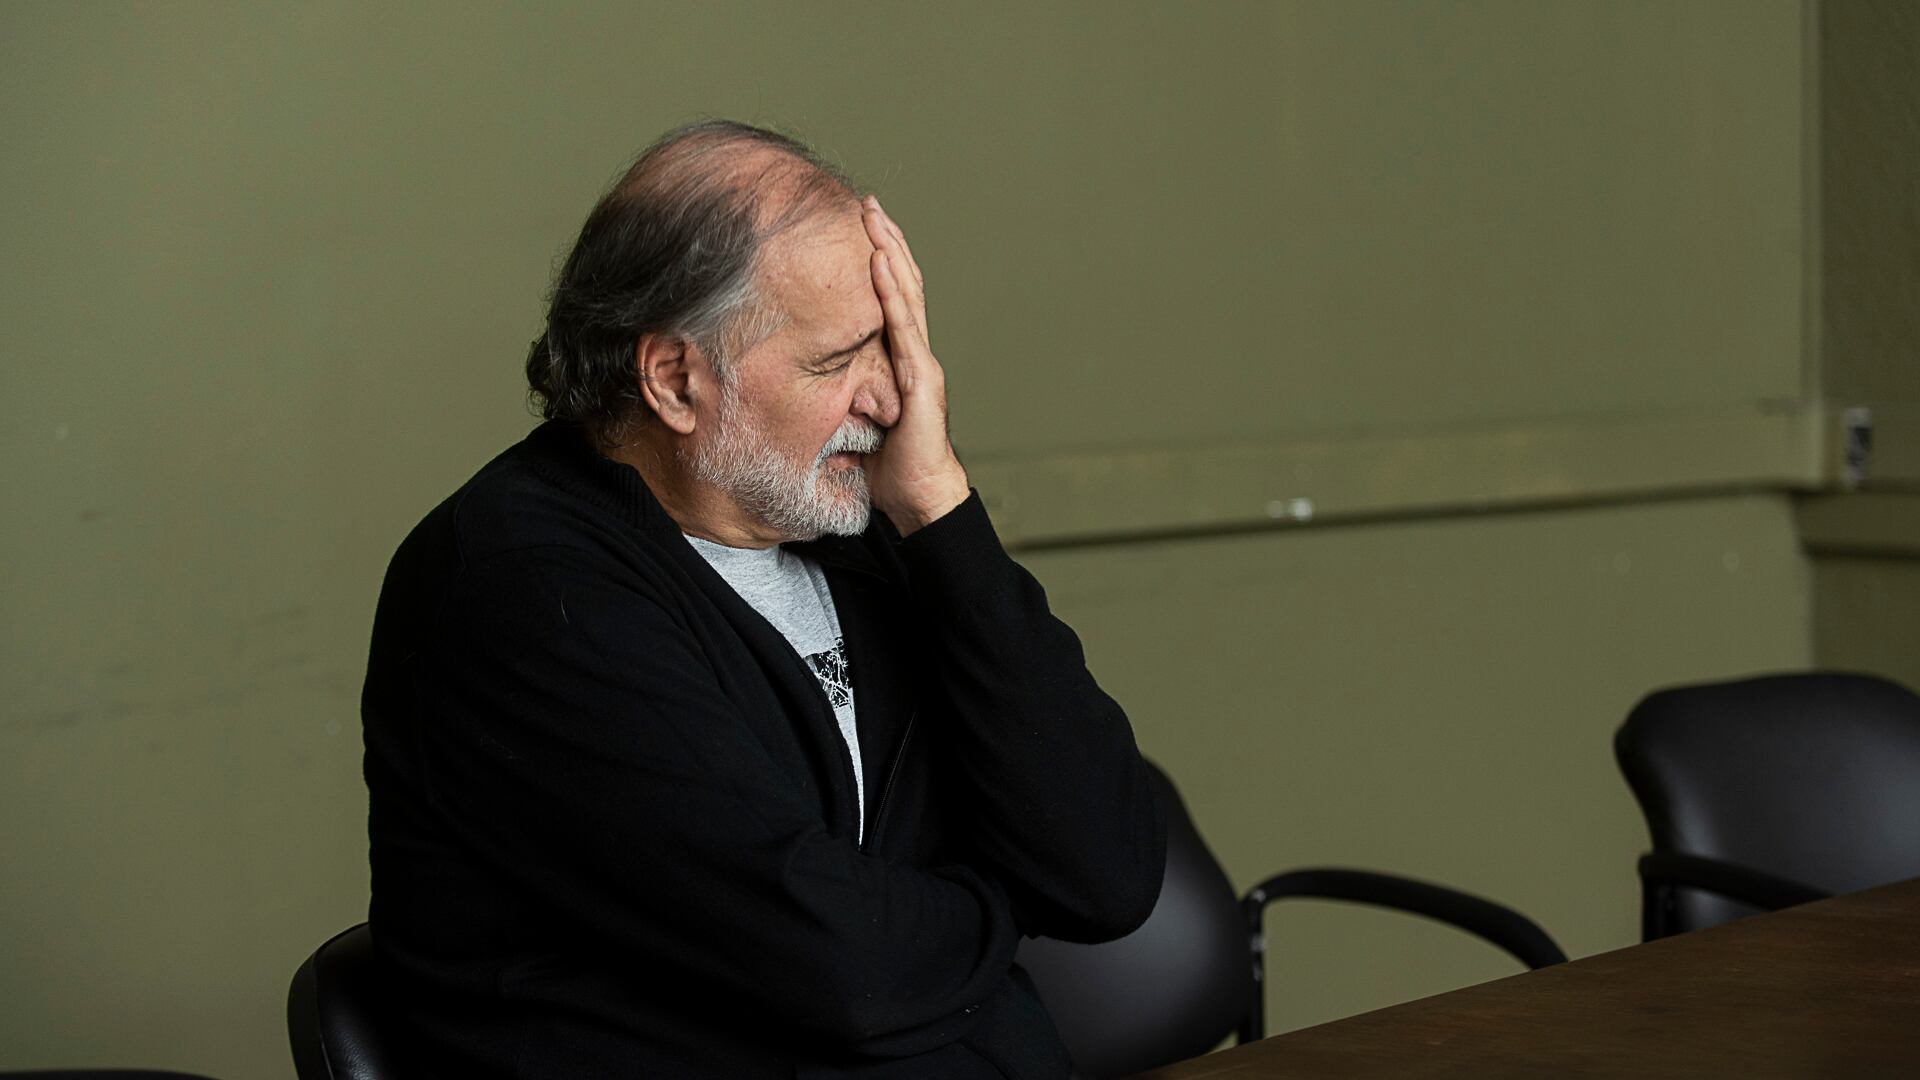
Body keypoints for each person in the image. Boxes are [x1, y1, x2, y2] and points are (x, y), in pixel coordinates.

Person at [360, 120, 1166, 1080]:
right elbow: (842, 969)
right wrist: (1000, 905)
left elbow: (1106, 873)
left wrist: (941, 513)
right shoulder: (521, 586)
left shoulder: (860, 530)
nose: (891, 402)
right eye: (837, 361)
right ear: (675, 380)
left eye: (892, 345)